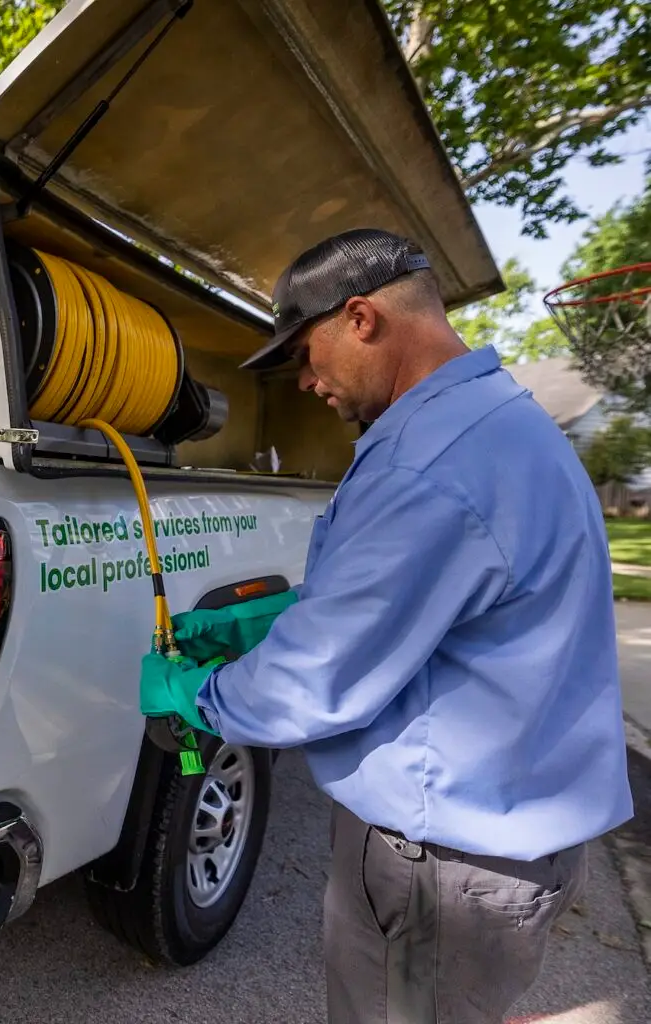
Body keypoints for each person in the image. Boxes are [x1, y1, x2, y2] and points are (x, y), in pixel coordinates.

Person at [139, 227, 633, 1024]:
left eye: (305, 353)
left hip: (445, 870)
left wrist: (200, 697)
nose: (305, 382)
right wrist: (275, 621)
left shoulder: (428, 462)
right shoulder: (492, 421)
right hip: (509, 846)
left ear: (361, 318)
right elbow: (425, 606)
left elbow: (315, 680)